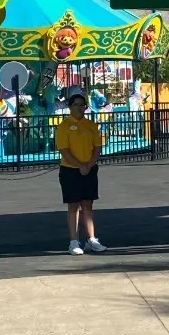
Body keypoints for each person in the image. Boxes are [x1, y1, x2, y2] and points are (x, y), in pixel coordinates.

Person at [55, 92, 107, 255]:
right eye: (76, 105)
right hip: (70, 170)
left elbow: (97, 147)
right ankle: (73, 241)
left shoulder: (90, 125)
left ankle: (91, 239)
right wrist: (79, 166)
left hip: (89, 169)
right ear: (70, 107)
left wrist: (89, 165)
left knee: (87, 204)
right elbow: (64, 150)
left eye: (82, 105)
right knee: (73, 205)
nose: (79, 108)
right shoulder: (63, 126)